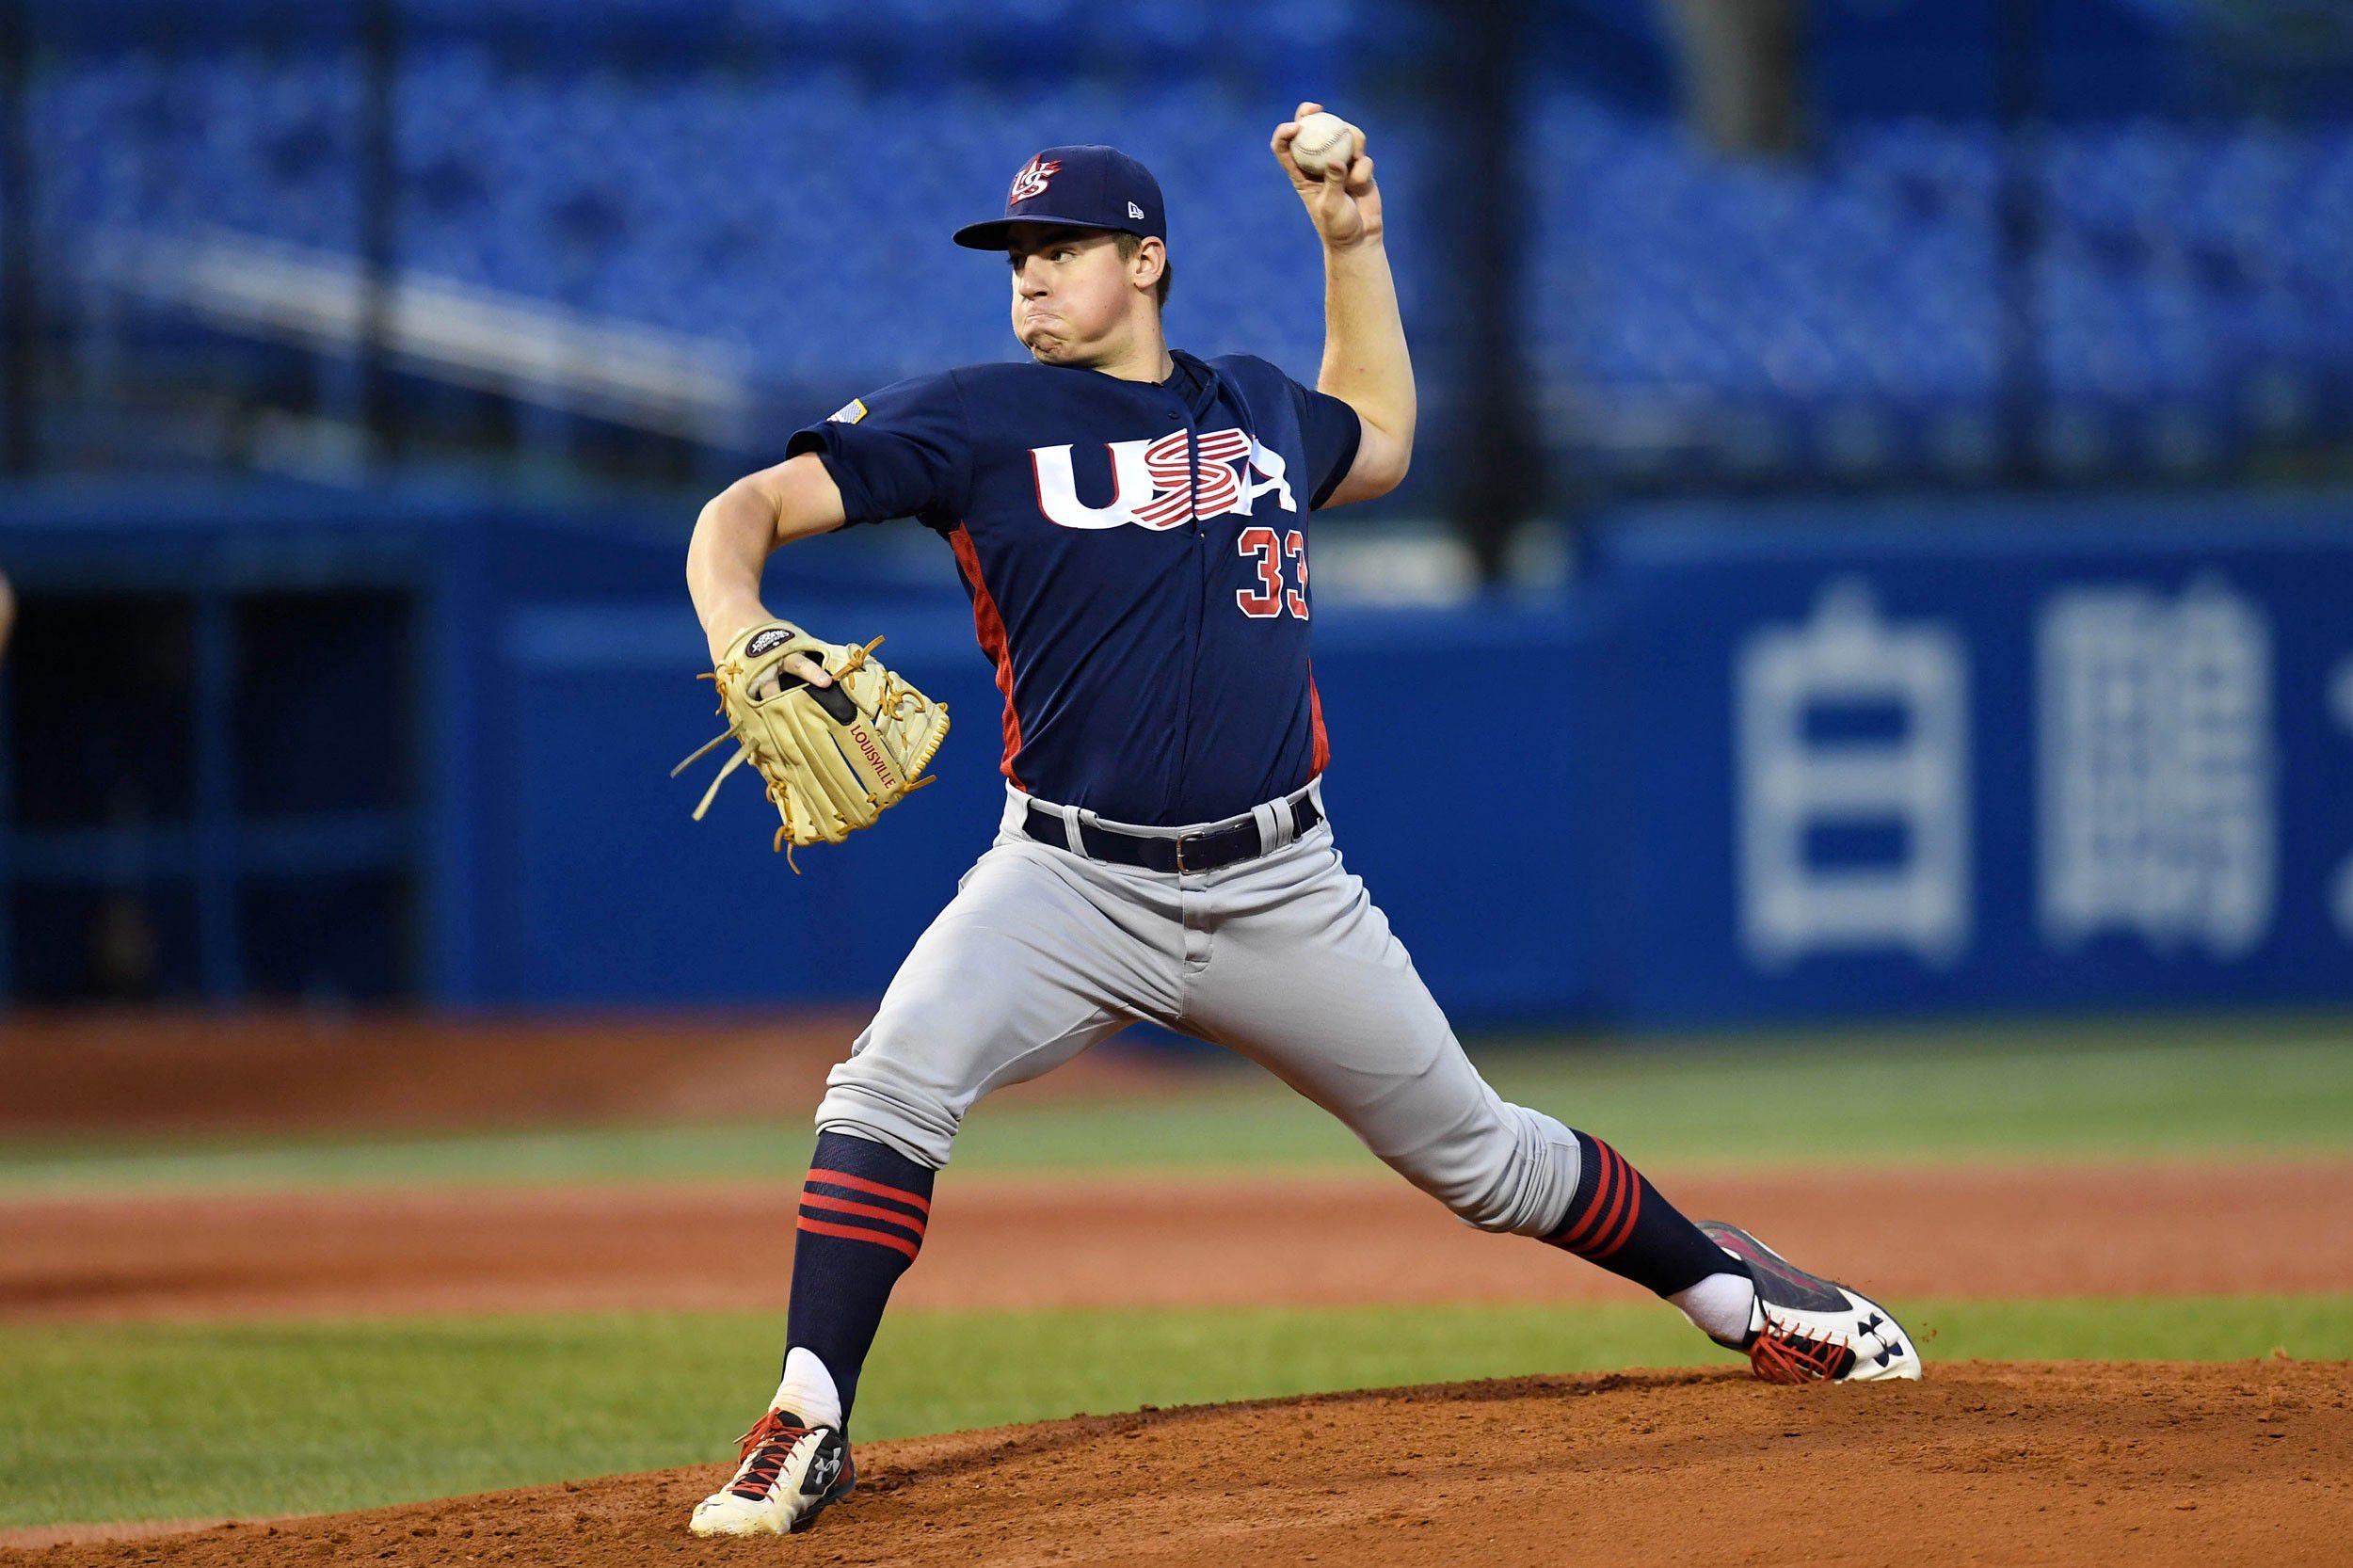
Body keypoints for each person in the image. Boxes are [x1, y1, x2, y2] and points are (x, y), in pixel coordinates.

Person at [680, 104, 1919, 1540]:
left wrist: (1354, 240)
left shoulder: (1256, 405)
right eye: (1016, 254)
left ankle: (1738, 1292)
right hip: (1066, 881)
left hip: (1282, 884)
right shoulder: (975, 418)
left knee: (1487, 1159)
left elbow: (1380, 440)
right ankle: (808, 1415)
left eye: (1061, 246)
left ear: (1147, 261)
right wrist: (740, 623)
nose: (1030, 274)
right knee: (886, 1087)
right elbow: (744, 506)